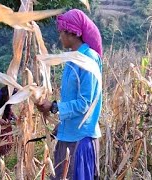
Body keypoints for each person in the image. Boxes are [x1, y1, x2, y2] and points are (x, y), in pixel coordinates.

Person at [36, 9, 102, 180]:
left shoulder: (89, 60)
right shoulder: (73, 59)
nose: (60, 37)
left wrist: (54, 107)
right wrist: (62, 124)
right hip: (69, 135)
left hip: (80, 140)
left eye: (61, 33)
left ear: (71, 33)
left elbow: (85, 104)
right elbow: (73, 100)